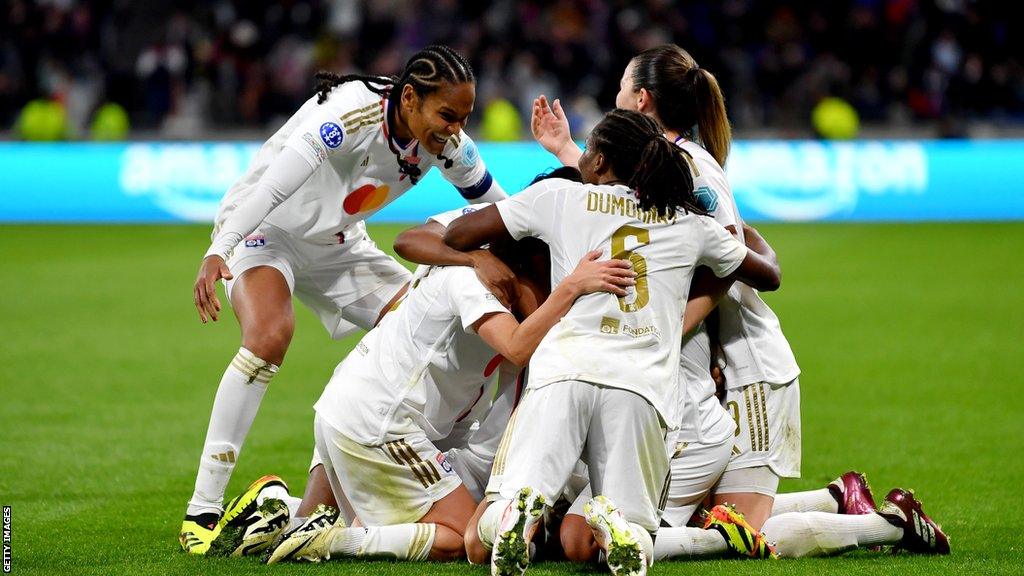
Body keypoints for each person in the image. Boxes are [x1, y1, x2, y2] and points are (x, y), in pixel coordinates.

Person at [532, 43, 948, 560]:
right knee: (710, 520)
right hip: (708, 367)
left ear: (640, 100)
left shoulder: (693, 169)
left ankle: (891, 526)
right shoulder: (658, 164)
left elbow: (729, 268)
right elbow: (614, 189)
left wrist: (668, 333)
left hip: (745, 366)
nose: (612, 95)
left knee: (739, 536)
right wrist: (567, 153)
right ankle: (839, 498)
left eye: (620, 85)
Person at [180, 44, 512, 554]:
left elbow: (501, 207)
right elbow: (271, 189)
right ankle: (202, 507)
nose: (455, 129)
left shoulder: (446, 142)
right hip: (267, 230)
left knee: (412, 327)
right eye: (447, 115)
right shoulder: (349, 112)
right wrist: (218, 249)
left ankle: (311, 511)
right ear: (409, 99)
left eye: (464, 118)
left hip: (339, 245)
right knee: (270, 337)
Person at [445, 109, 782, 576]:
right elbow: (769, 275)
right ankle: (619, 526)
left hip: (562, 373)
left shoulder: (560, 197)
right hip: (640, 387)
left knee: (504, 508)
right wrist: (738, 230)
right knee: (635, 529)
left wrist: (485, 260)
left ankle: (515, 521)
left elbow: (459, 234)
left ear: (600, 160)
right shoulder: (689, 223)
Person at [259, 208, 636, 563]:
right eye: (545, 282)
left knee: (388, 510)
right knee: (458, 535)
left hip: (359, 408)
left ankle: (275, 508)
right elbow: (517, 348)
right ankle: (335, 542)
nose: (545, 297)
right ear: (520, 270)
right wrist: (569, 290)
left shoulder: (474, 264)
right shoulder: (470, 282)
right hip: (383, 426)